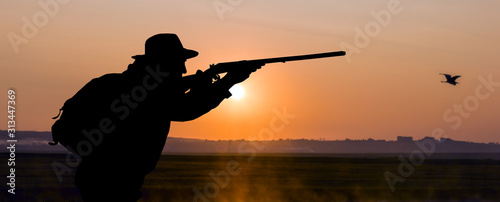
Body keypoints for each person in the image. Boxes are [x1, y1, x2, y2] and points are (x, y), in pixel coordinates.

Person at [73, 33, 260, 201]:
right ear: (164, 62)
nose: (184, 69)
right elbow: (185, 109)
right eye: (180, 62)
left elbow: (177, 104)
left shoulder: (122, 83)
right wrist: (228, 81)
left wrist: (204, 85)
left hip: (102, 176)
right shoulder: (143, 90)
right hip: (112, 179)